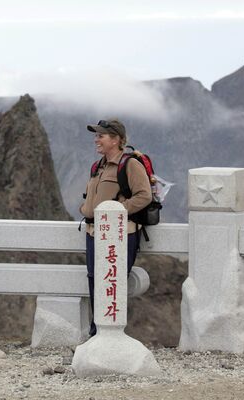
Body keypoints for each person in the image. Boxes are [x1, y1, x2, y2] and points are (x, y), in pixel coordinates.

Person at [79, 118, 152, 337]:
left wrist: (116, 213)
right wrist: (85, 208)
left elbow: (144, 195)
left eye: (100, 136)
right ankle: (97, 332)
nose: (96, 140)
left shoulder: (130, 164)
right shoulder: (97, 167)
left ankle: (110, 333)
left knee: (113, 280)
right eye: (96, 135)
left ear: (116, 139)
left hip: (121, 234)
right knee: (94, 278)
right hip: (94, 232)